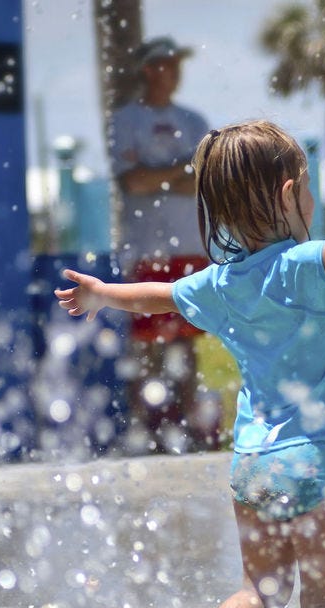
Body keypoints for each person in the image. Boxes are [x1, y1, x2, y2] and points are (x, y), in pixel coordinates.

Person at [55, 120, 325, 608]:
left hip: (253, 463)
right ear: (289, 193)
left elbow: (158, 296)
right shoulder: (300, 267)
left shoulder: (220, 284)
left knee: (259, 593)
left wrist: (103, 293)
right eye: (308, 188)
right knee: (322, 607)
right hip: (316, 461)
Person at [109, 36, 211, 452]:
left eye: (176, 63)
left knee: (185, 343)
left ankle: (186, 428)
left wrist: (158, 175)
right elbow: (131, 181)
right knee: (146, 343)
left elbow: (202, 181)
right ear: (148, 69)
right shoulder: (127, 120)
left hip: (189, 247)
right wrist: (177, 173)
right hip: (146, 249)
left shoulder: (194, 119)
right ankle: (146, 433)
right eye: (166, 64)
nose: (174, 71)